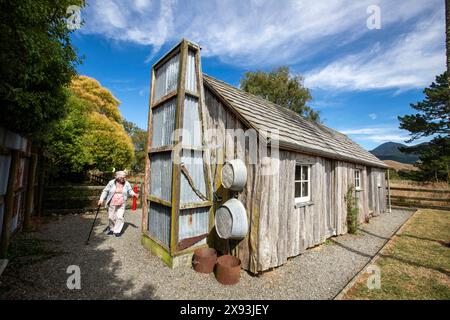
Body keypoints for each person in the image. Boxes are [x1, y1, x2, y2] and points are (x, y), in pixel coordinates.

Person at [98, 171, 139, 237]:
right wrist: (101, 199)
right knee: (111, 217)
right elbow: (105, 191)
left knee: (120, 217)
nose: (123, 179)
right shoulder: (111, 182)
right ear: (117, 177)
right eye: (122, 177)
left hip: (122, 202)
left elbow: (130, 190)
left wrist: (134, 194)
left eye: (124, 177)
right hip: (112, 202)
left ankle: (117, 231)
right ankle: (112, 229)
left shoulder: (126, 183)